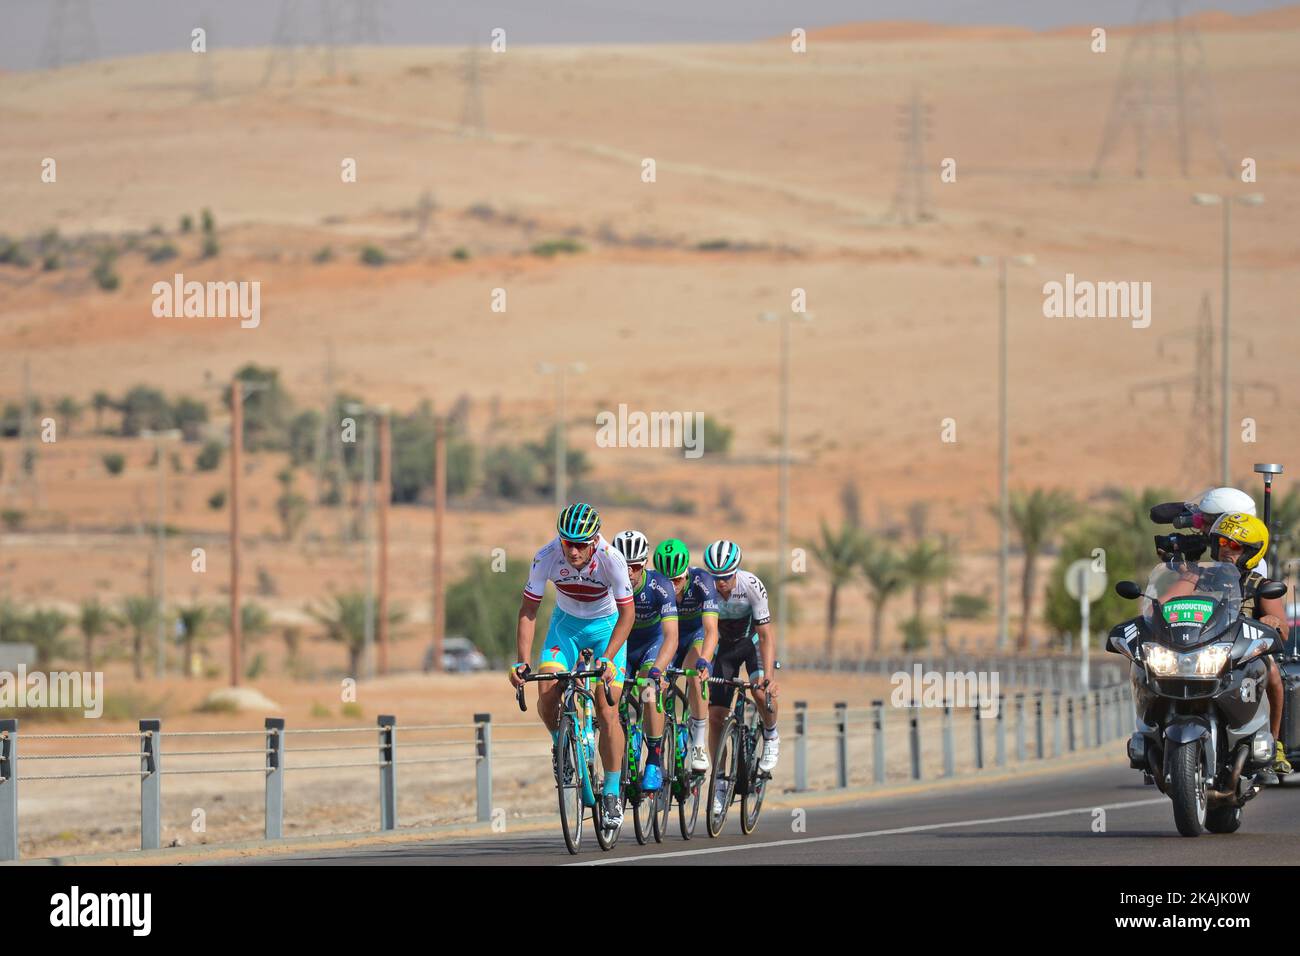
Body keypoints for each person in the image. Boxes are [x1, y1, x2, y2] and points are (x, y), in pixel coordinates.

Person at [509, 503, 636, 830]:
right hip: (565, 628)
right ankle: (561, 745)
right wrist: (522, 662)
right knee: (547, 691)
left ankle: (610, 791)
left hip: (606, 629)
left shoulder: (612, 560)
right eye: (568, 543)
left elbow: (628, 615)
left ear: (594, 541)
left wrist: (608, 656)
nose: (574, 550)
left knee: (607, 707)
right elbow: (528, 611)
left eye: (581, 544)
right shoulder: (545, 556)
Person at [1207, 512, 1291, 774]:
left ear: (1251, 552)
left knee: (1274, 674)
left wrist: (1272, 621)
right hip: (1205, 651)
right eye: (1221, 543)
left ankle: (1274, 745)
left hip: (1245, 653)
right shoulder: (1201, 581)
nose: (1225, 550)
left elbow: (1283, 627)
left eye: (1234, 546)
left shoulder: (1259, 585)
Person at [701, 539, 779, 818]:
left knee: (760, 693)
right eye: (716, 577)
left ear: (736, 571)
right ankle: (720, 782)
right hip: (723, 649)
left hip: (752, 643)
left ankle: (770, 734)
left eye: (726, 577)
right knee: (716, 716)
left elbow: (767, 634)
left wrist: (768, 677)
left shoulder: (752, 586)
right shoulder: (705, 588)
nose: (721, 583)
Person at [611, 530, 679, 792]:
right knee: (608, 697)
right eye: (622, 565)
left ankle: (653, 758)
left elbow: (672, 636)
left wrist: (658, 670)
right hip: (623, 646)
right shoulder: (606, 586)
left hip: (653, 644)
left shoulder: (660, 586)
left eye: (635, 566)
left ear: (645, 564)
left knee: (649, 691)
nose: (628, 573)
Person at [653, 539, 718, 773]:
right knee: (654, 684)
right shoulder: (654, 584)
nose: (672, 586)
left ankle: (699, 742)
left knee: (695, 672)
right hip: (665, 639)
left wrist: (705, 660)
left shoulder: (703, 581)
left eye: (677, 580)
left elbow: (711, 629)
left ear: (687, 572)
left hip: (694, 637)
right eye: (667, 581)